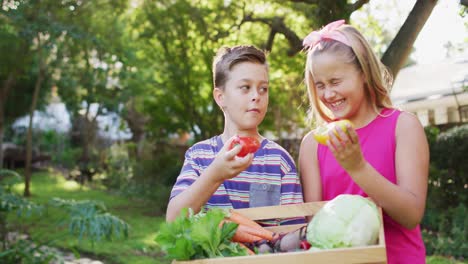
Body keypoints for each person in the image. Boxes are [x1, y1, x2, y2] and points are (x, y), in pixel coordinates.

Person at [298, 20, 429, 263]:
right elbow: (314, 228)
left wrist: (358, 168)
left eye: (335, 82)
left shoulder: (403, 126)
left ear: (364, 73)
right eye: (320, 85)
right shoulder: (312, 145)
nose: (328, 94)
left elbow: (411, 214)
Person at [166, 45, 304, 226]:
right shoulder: (199, 157)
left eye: (263, 88)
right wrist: (214, 175)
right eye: (245, 87)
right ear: (220, 97)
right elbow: (173, 220)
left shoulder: (279, 160)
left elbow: (293, 231)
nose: (256, 96)